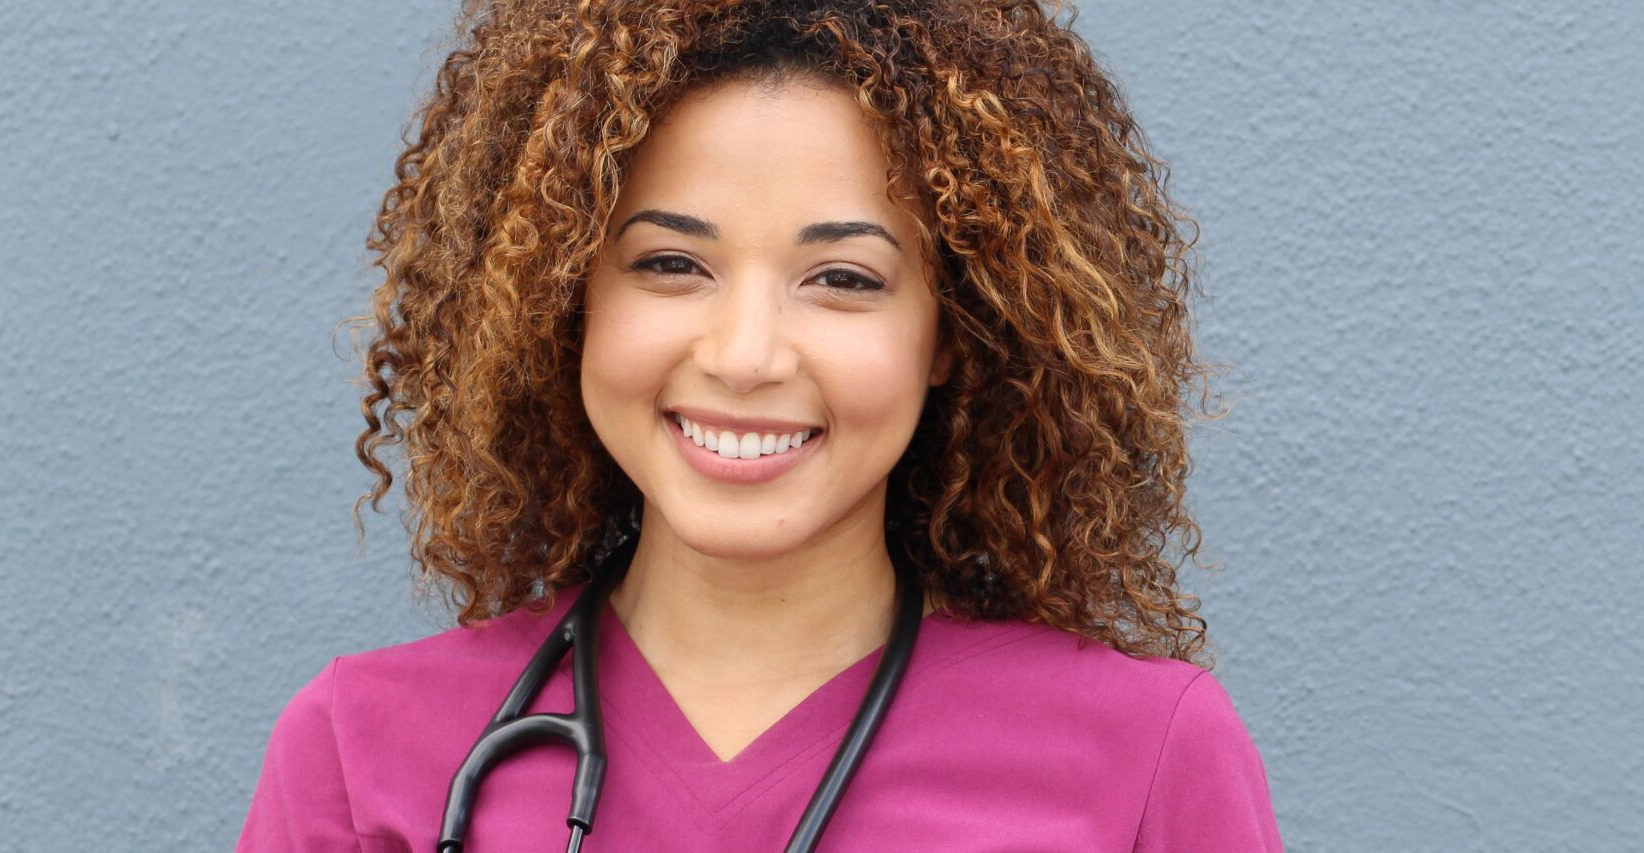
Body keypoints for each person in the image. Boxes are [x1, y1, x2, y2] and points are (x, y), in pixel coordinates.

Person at [235, 0, 1279, 848]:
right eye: (671, 264)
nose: (744, 355)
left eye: (842, 278)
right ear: (566, 297)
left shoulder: (1146, 756)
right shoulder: (356, 752)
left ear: (952, 330)